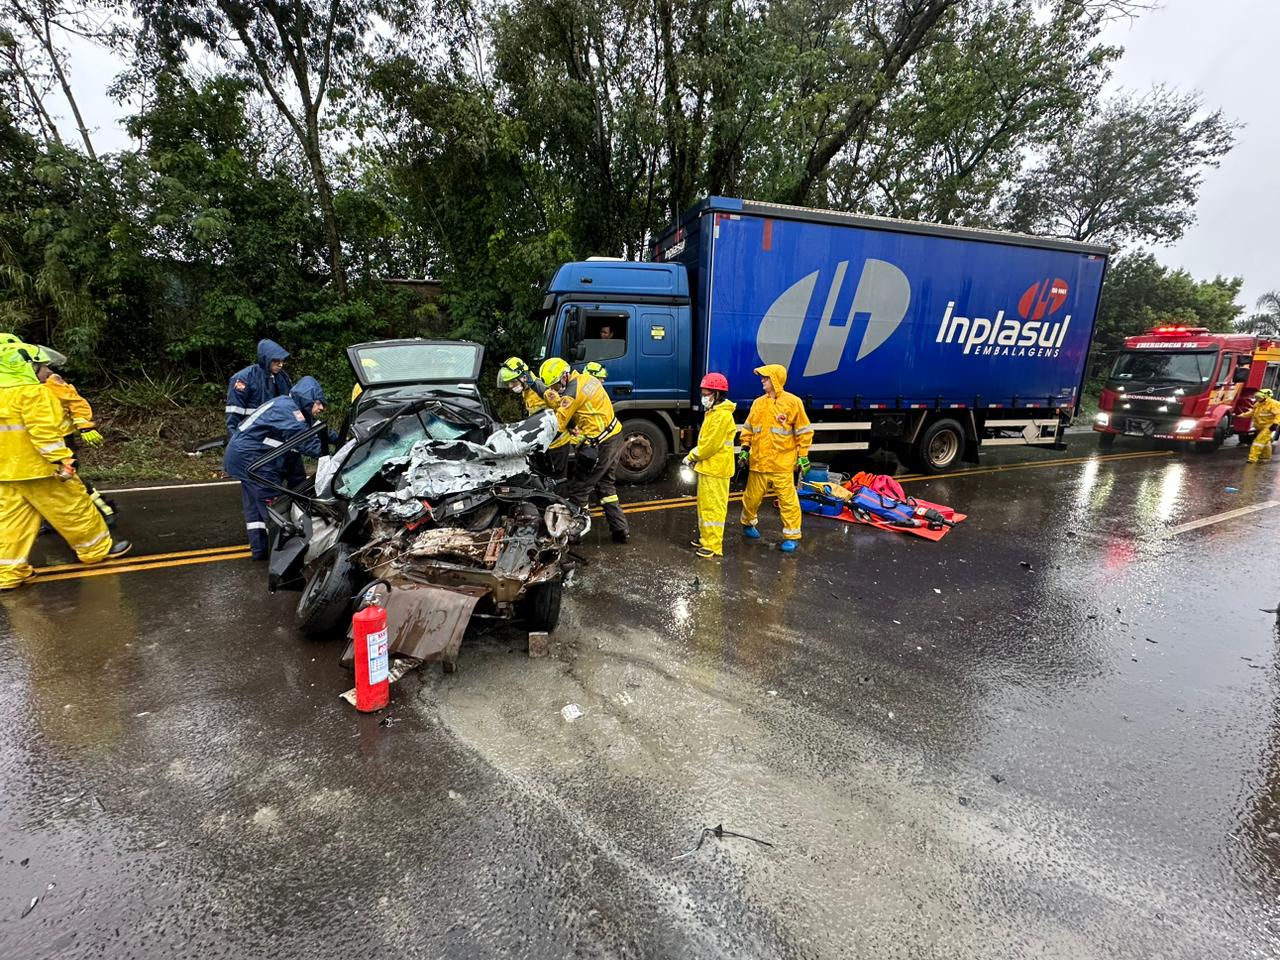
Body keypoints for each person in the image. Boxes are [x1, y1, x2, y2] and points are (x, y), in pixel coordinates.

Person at [0, 344, 130, 590]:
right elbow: (44, 433)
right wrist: (62, 460)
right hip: (40, 470)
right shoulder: (32, 393)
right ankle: (96, 550)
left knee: (9, 522)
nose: (47, 370)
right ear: (26, 367)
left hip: (6, 473)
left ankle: (8, 572)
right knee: (73, 508)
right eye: (42, 366)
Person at [223, 376, 330, 560]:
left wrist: (341, 440)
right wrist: (333, 459)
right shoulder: (290, 413)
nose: (321, 408)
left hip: (245, 458)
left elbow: (320, 430)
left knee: (254, 508)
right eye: (319, 403)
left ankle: (260, 551)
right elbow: (307, 443)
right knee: (275, 508)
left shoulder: (289, 406)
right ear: (308, 398)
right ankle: (287, 558)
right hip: (252, 461)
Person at [537, 357, 629, 542]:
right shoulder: (588, 379)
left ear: (564, 377)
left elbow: (558, 423)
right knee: (605, 486)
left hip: (600, 446)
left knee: (579, 489)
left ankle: (573, 535)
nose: (555, 389)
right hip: (615, 436)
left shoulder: (571, 395)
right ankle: (621, 530)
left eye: (555, 385)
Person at [24, 345, 116, 526]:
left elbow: (76, 404)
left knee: (69, 479)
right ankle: (51, 519)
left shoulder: (51, 382)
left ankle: (103, 510)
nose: (48, 371)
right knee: (43, 482)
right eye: (43, 367)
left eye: (45, 366)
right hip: (35, 441)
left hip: (61, 440)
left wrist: (85, 427)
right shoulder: (20, 389)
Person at [738, 363, 813, 553]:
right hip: (759, 462)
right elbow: (748, 429)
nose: (762, 380)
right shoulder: (758, 403)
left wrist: (803, 456)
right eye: (762, 377)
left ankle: (792, 535)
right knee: (751, 499)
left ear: (776, 380)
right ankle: (747, 523)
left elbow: (803, 431)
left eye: (766, 377)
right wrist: (745, 449)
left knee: (788, 502)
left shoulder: (793, 402)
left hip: (782, 464)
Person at [683, 373, 736, 559]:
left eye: (707, 394)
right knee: (705, 506)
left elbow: (709, 445)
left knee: (714, 508)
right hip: (710, 467)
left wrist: (691, 456)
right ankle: (706, 538)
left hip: (717, 469)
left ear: (717, 394)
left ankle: (713, 545)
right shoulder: (713, 413)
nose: (703, 397)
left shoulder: (722, 416)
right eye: (703, 393)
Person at [498, 357, 575, 480]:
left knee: (558, 480)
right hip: (544, 443)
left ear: (523, 377)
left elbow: (563, 410)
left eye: (513, 382)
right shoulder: (527, 389)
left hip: (557, 444)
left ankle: (561, 499)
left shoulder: (541, 389)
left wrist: (572, 427)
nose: (510, 386)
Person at [225, 339, 292, 433]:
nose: (281, 365)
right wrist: (234, 439)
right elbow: (234, 412)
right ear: (267, 358)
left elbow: (289, 406)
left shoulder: (283, 378)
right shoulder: (244, 378)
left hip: (275, 432)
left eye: (282, 361)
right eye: (276, 361)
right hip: (250, 434)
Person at [1244, 387, 1280, 464]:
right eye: (1257, 397)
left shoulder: (1274, 404)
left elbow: (1278, 415)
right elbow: (1252, 413)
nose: (1257, 398)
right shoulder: (1258, 404)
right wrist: (1241, 415)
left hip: (1268, 426)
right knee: (1265, 442)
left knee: (1258, 442)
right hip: (1260, 426)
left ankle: (1252, 458)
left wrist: (1275, 424)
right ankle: (1265, 456)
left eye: (1259, 397)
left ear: (1266, 397)